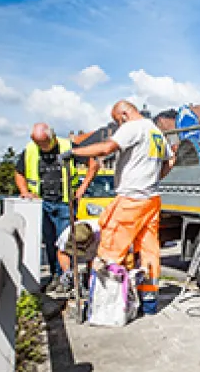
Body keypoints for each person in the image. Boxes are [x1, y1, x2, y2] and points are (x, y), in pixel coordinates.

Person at [61, 101, 176, 312]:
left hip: (131, 198)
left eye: (117, 121)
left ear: (124, 114)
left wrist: (75, 152)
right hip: (151, 199)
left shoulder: (133, 127)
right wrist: (152, 180)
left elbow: (107, 148)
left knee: (111, 247)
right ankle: (149, 301)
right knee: (149, 250)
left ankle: (104, 303)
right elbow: (170, 161)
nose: (119, 126)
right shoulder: (155, 132)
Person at [15, 123, 98, 290]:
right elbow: (19, 172)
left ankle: (66, 277)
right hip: (42, 203)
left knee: (66, 242)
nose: (42, 147)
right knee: (50, 241)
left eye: (44, 143)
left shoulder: (68, 147)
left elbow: (93, 164)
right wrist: (24, 191)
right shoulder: (30, 150)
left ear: (52, 137)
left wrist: (82, 188)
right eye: (38, 144)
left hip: (65, 203)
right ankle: (56, 275)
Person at [53, 219, 100, 293]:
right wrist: (67, 271)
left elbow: (95, 258)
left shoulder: (101, 233)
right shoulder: (65, 235)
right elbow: (61, 252)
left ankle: (89, 282)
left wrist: (92, 277)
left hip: (98, 243)